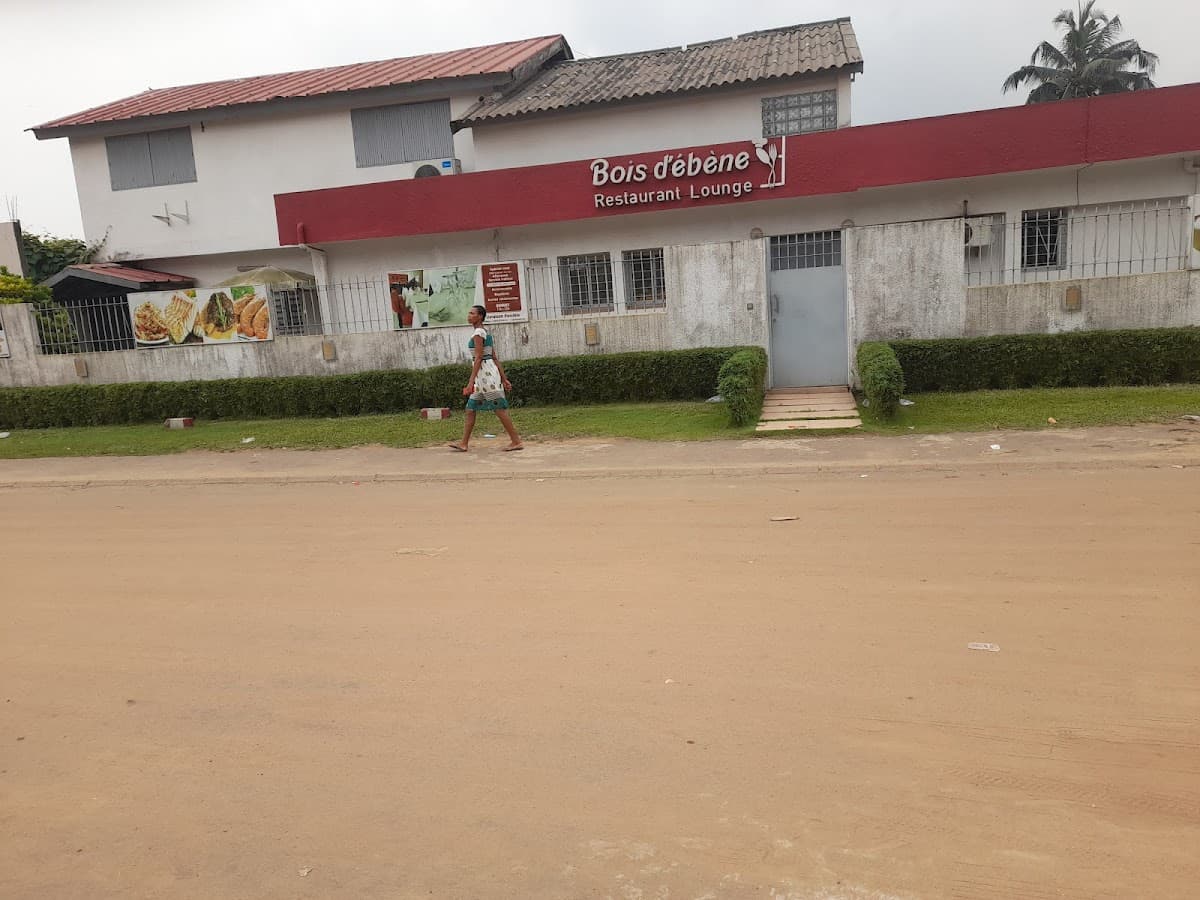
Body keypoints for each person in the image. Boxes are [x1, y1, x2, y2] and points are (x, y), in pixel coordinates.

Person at [448, 305, 523, 452]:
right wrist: (504, 378)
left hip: (486, 377)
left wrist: (470, 382)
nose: (469, 315)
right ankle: (464, 443)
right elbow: (494, 357)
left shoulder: (478, 333)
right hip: (486, 375)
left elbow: (478, 358)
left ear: (480, 316)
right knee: (470, 409)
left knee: (499, 409)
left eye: (472, 313)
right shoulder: (485, 333)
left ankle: (516, 441)